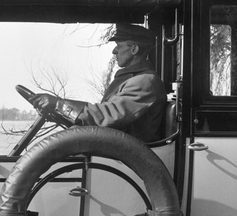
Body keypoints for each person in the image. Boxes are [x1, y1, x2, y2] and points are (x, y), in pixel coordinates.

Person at [28, 24, 168, 142]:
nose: (114, 51)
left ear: (134, 49)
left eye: (118, 46)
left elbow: (108, 115)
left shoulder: (145, 81)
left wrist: (59, 104)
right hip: (116, 150)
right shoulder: (133, 79)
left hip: (124, 158)